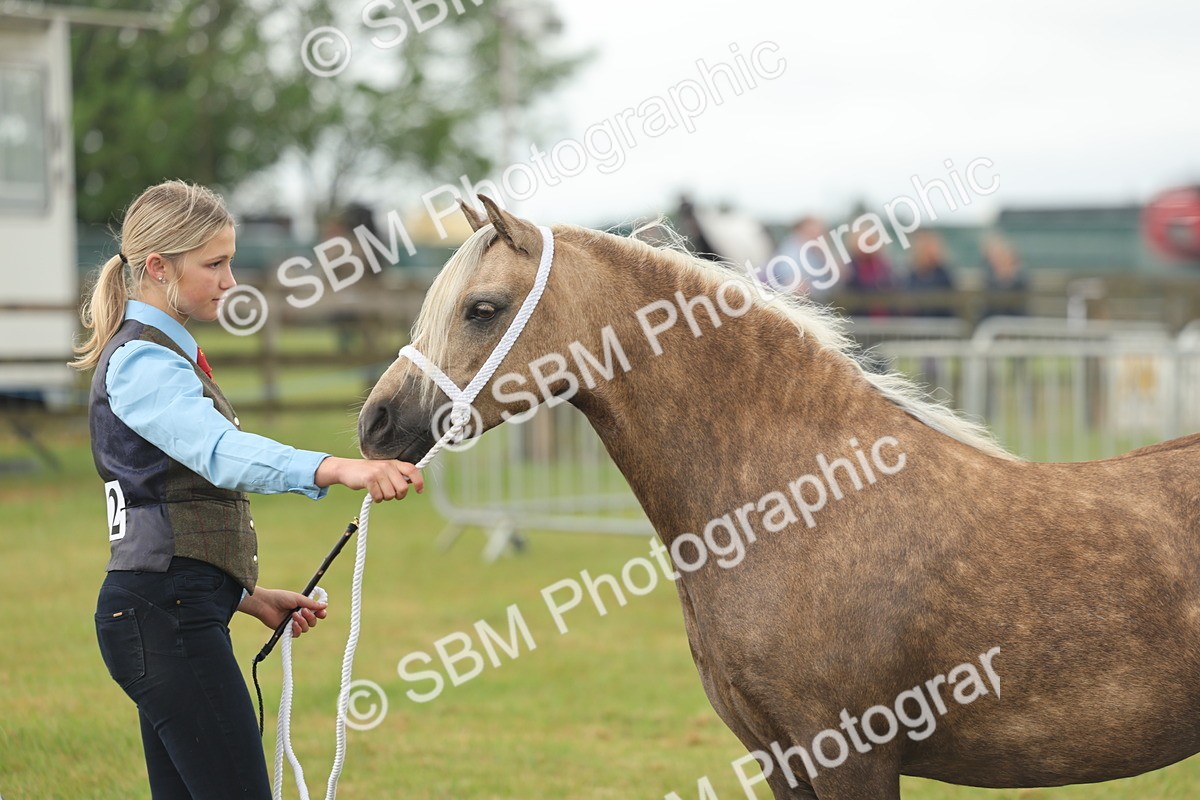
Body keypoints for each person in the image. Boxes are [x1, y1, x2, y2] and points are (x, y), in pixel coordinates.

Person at [70, 180, 424, 799]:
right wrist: (338, 468)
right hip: (163, 618)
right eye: (215, 263)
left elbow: (163, 511)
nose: (231, 279)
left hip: (169, 609)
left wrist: (244, 594)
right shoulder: (142, 362)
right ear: (158, 267)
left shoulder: (160, 356)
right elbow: (218, 454)